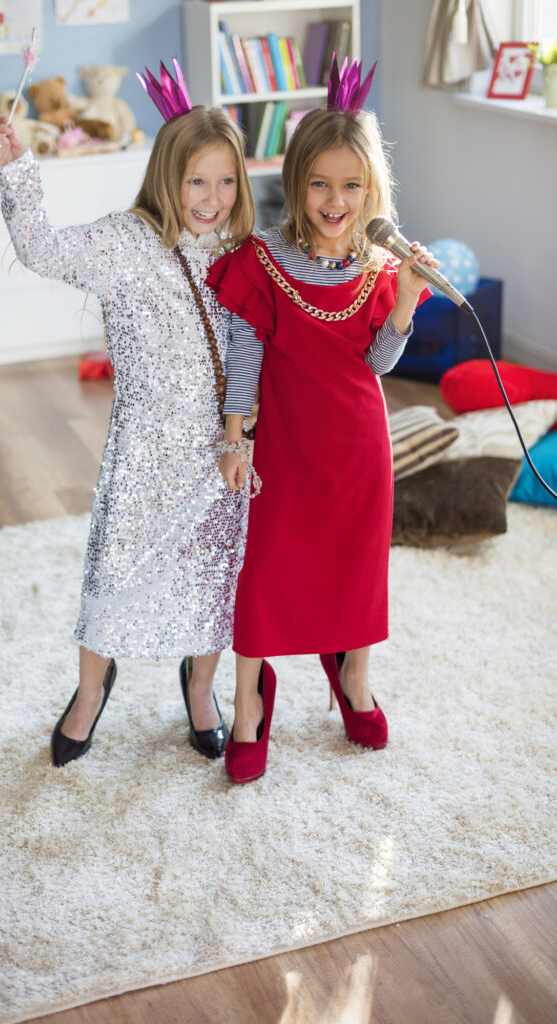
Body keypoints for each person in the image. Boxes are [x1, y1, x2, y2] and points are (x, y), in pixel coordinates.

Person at [0, 59, 256, 767]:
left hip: (221, 450)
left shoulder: (241, 252)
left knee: (216, 579)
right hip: (143, 451)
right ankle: (90, 687)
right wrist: (17, 173)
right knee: (112, 576)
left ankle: (201, 688)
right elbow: (41, 247)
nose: (212, 197)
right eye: (197, 180)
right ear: (167, 176)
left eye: (226, 181)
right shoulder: (123, 242)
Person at [206, 58, 439, 784]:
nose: (334, 200)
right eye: (320, 183)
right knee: (267, 574)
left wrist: (404, 300)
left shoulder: (379, 266)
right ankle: (249, 699)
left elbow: (377, 364)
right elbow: (244, 348)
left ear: (371, 192)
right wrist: (235, 434)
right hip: (286, 444)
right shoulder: (264, 260)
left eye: (351, 186)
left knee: (355, 570)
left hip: (357, 446)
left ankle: (353, 680)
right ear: (297, 181)